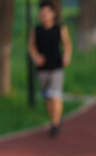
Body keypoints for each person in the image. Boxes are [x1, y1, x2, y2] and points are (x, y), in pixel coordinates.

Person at [28, 0, 72, 137]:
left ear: (53, 14)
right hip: (42, 69)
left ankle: (55, 124)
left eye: (47, 12)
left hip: (57, 67)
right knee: (47, 97)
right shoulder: (36, 30)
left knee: (55, 95)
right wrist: (35, 57)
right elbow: (31, 46)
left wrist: (67, 56)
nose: (44, 15)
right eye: (42, 13)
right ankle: (56, 117)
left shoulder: (60, 29)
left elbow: (67, 44)